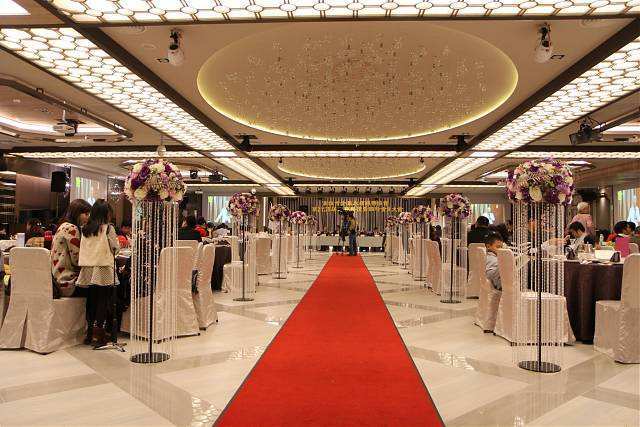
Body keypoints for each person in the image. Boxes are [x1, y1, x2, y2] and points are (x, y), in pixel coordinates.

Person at [77, 199, 120, 348]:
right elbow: (115, 248)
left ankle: (89, 332)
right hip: (102, 267)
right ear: (106, 214)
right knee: (103, 299)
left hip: (87, 267)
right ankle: (99, 331)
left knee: (91, 299)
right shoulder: (108, 229)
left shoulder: (85, 229)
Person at [51, 199, 92, 298]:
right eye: (86, 214)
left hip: (56, 281)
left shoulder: (63, 226)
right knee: (100, 287)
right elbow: (78, 260)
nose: (88, 217)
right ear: (76, 213)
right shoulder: (71, 228)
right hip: (67, 283)